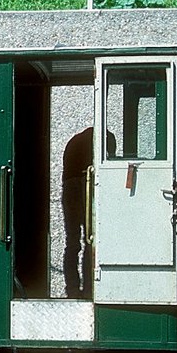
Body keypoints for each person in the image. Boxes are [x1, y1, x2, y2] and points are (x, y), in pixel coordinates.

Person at [62, 127, 115, 298]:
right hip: (87, 186)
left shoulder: (74, 141)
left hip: (70, 188)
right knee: (90, 240)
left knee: (72, 242)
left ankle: (71, 289)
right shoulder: (106, 138)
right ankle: (89, 289)